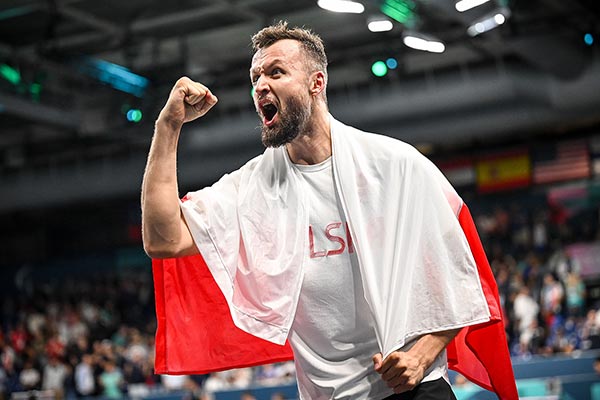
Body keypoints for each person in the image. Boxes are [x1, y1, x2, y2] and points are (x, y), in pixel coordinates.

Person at [142, 22, 517, 400]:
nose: (260, 86)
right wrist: (168, 125)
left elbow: (459, 282)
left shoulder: (396, 166)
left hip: (416, 390)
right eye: (255, 78)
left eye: (275, 72)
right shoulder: (250, 189)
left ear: (316, 83)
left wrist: (420, 358)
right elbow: (163, 240)